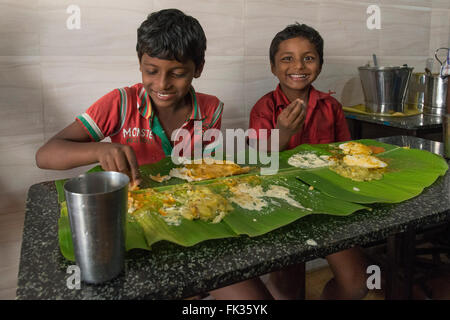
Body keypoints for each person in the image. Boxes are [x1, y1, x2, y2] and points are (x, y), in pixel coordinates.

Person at [36, 8, 272, 300]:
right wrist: (100, 149)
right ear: (140, 64)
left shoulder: (211, 111)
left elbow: (202, 171)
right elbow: (46, 154)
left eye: (178, 73)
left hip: (193, 227)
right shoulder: (120, 103)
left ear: (197, 68)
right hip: (136, 231)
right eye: (152, 71)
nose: (162, 84)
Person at [248, 23, 369, 300]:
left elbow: (345, 156)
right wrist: (283, 133)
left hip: (328, 204)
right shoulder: (264, 108)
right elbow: (257, 165)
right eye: (287, 58)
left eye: (309, 57)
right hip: (282, 206)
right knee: (288, 290)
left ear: (320, 64)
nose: (298, 65)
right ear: (273, 67)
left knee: (358, 283)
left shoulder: (331, 107)